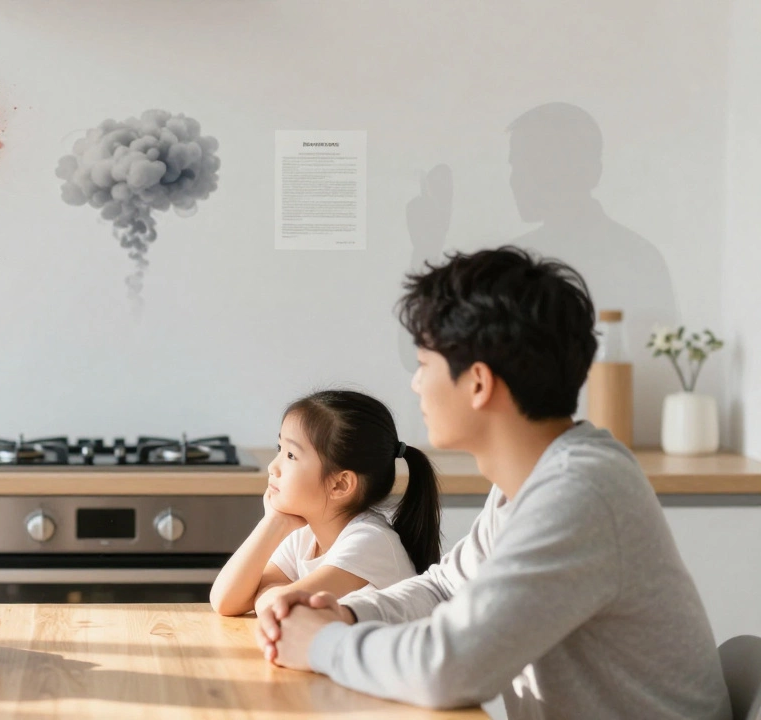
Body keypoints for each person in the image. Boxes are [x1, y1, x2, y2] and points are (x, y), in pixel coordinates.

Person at [258, 247, 729, 719]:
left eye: (424, 365)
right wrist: (346, 613)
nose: (416, 385)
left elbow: (451, 669)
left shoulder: (580, 492)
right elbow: (445, 589)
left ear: (479, 384)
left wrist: (322, 643)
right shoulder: (531, 482)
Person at [209, 390, 440, 617]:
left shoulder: (370, 542)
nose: (272, 467)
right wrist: (272, 522)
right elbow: (225, 601)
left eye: (291, 455)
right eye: (280, 449)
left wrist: (266, 593)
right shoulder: (304, 536)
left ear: (340, 484)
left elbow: (281, 609)